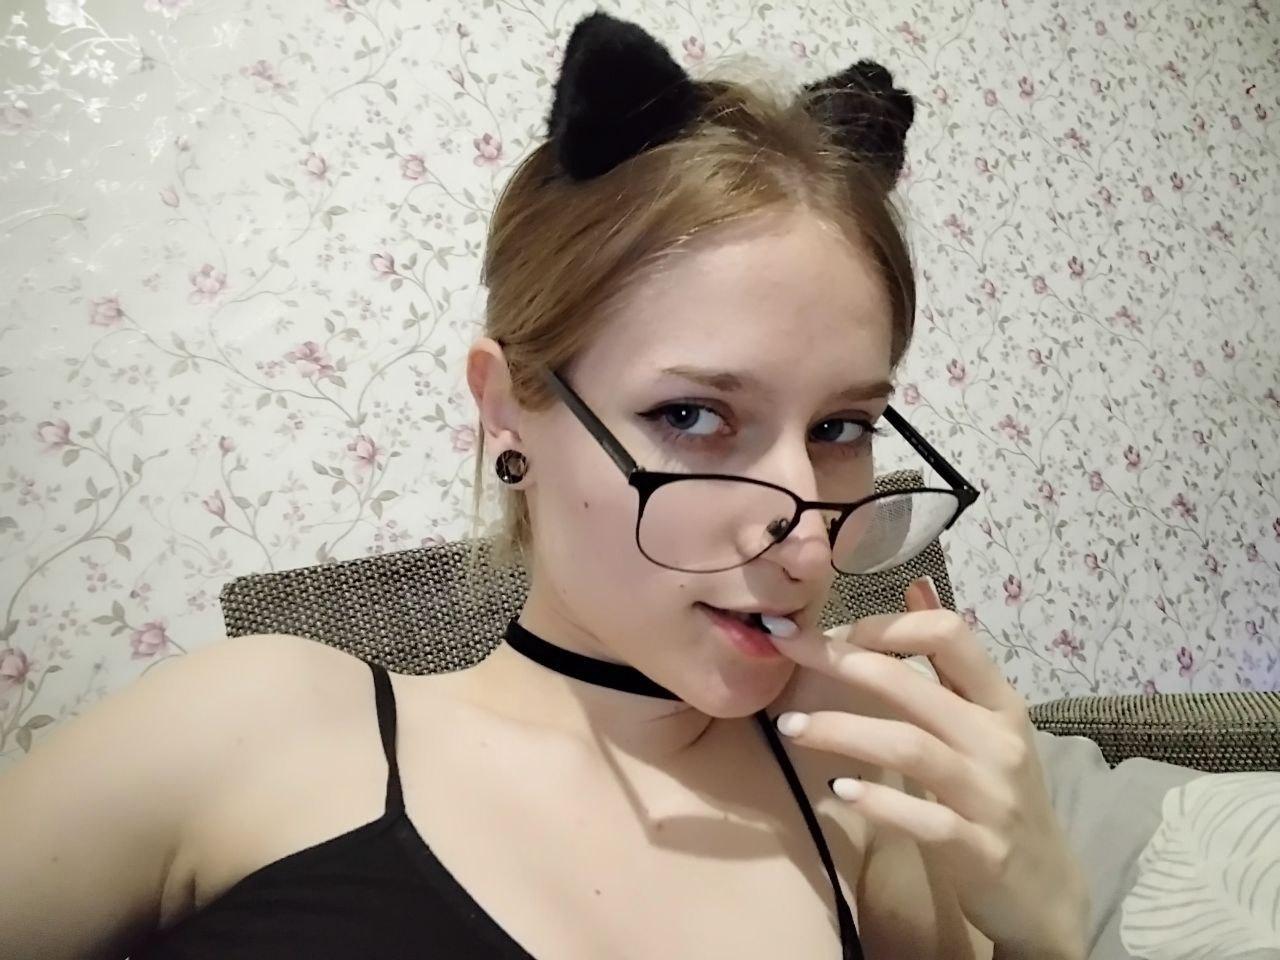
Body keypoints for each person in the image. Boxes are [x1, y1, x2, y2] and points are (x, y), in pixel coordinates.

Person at [0, 12, 1089, 960]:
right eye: (692, 416)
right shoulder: (259, 726)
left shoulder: (860, 788)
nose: (807, 542)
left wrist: (1042, 930)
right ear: (507, 407)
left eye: (841, 427)